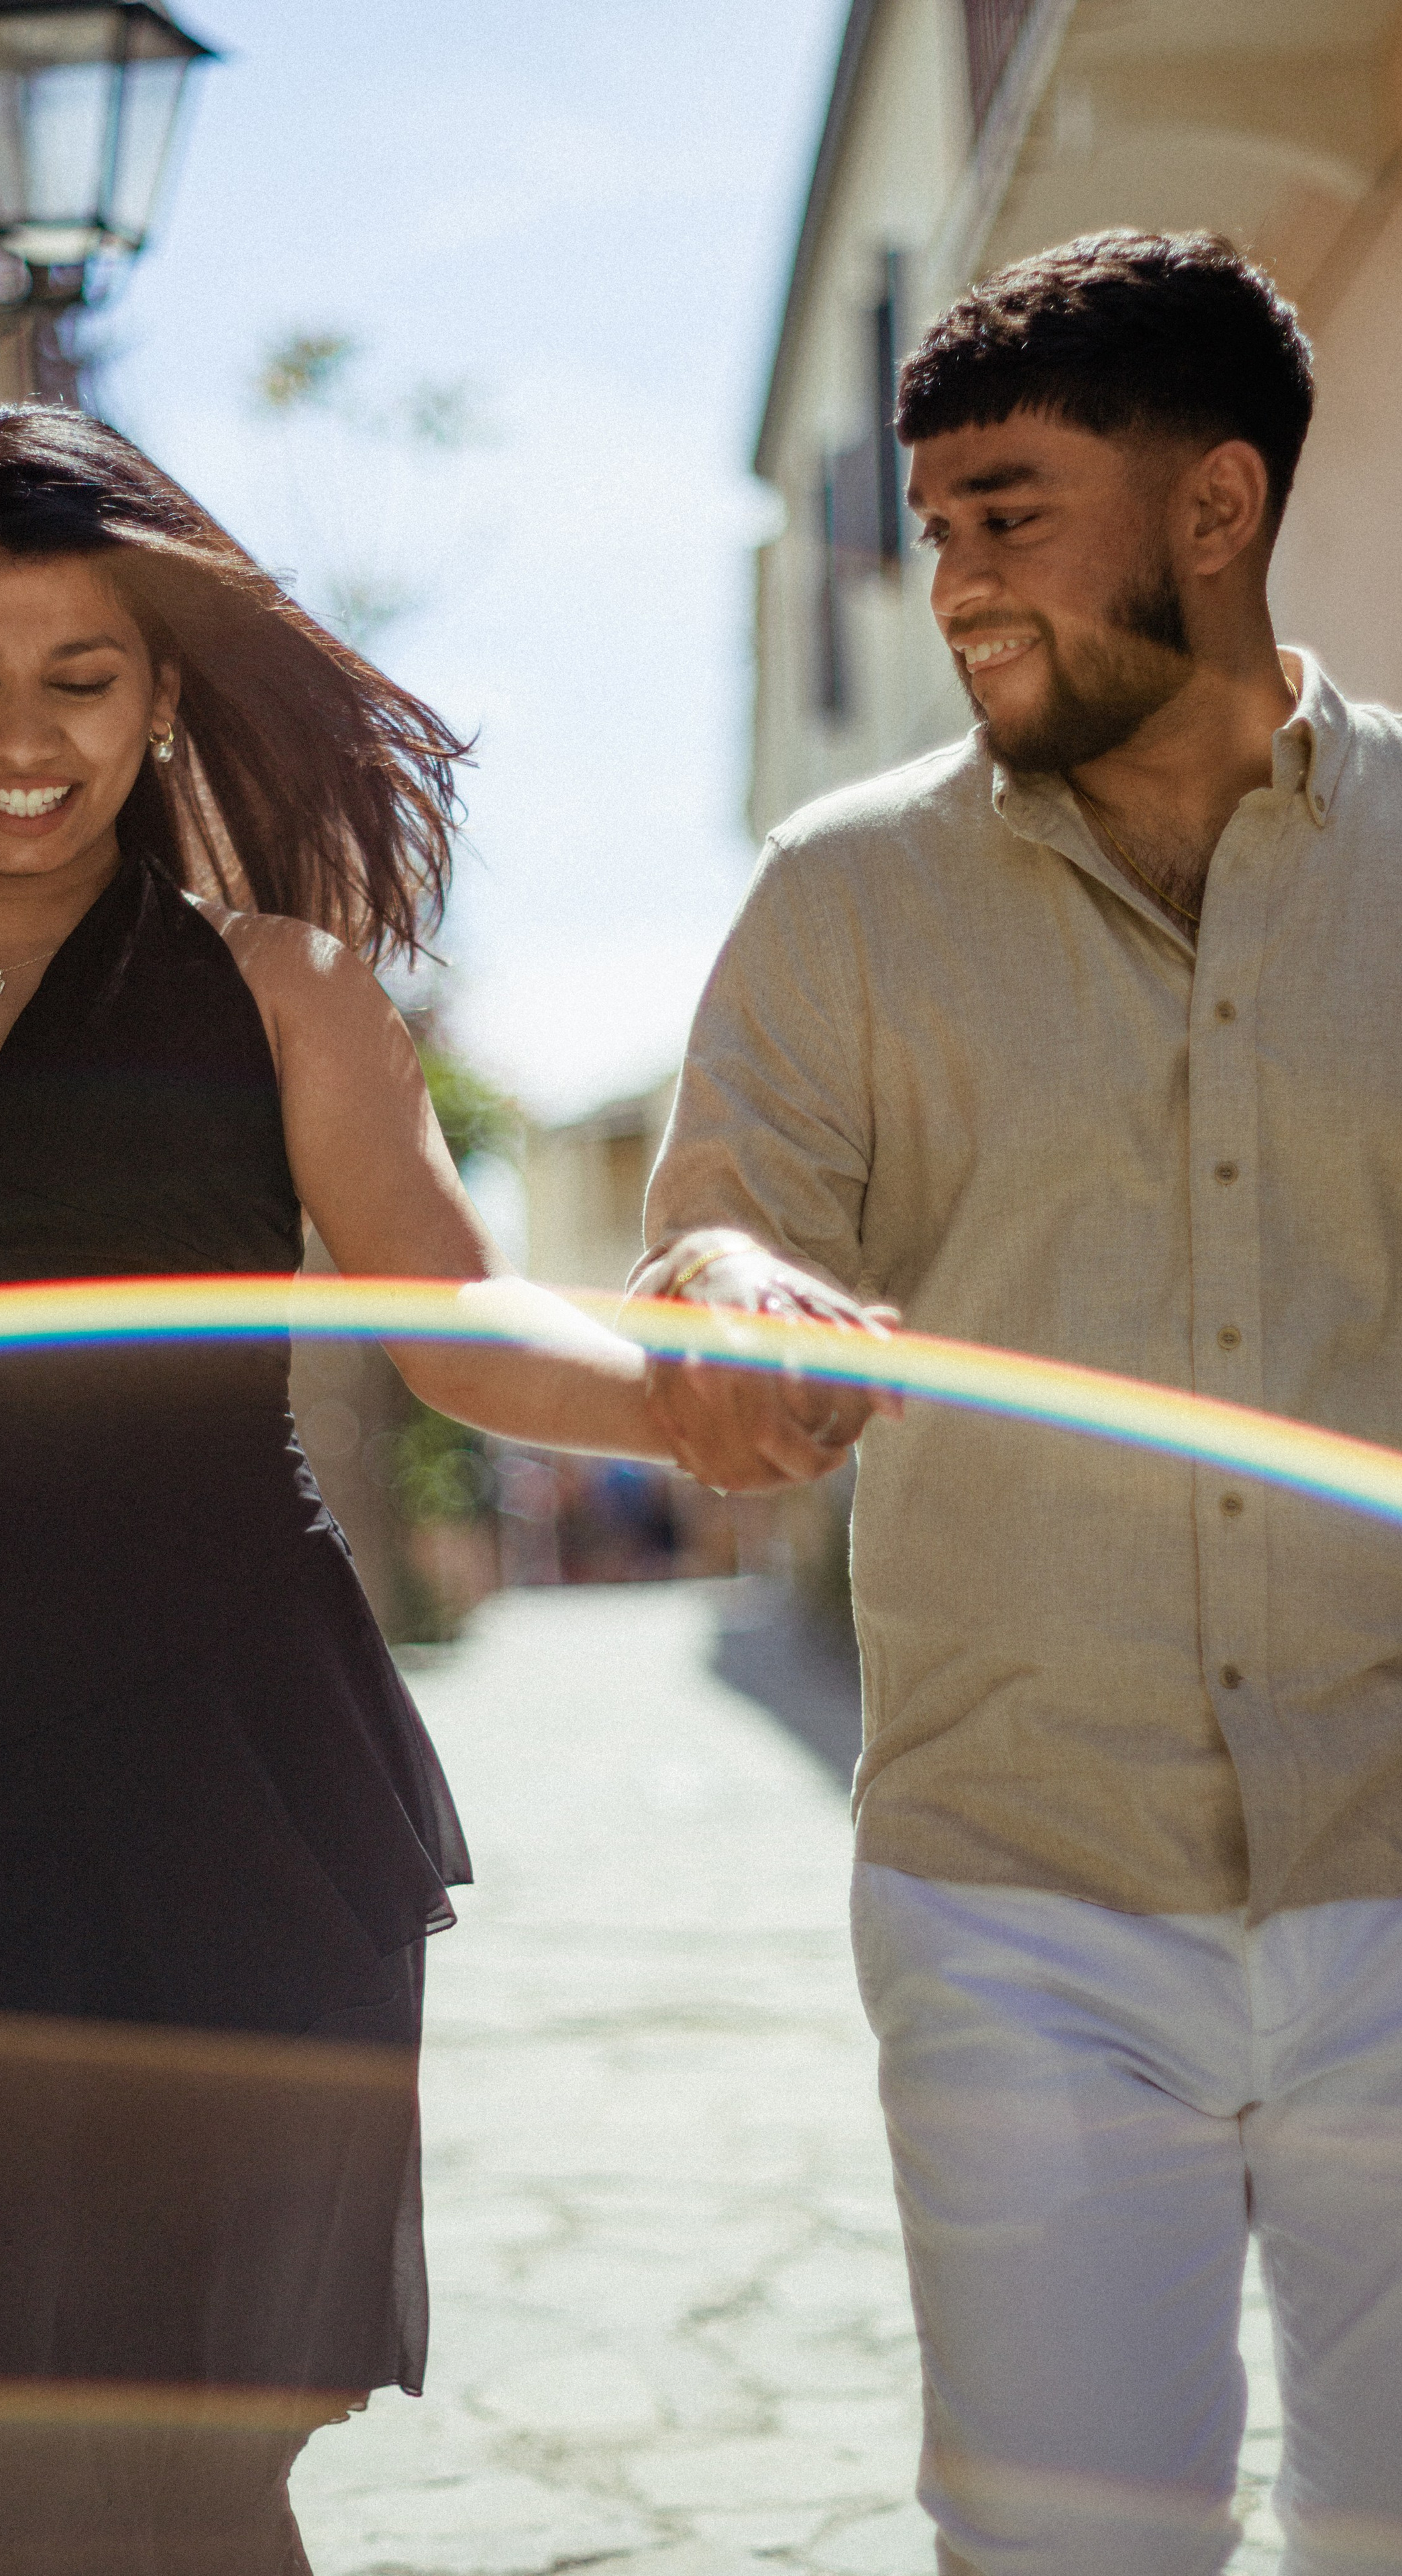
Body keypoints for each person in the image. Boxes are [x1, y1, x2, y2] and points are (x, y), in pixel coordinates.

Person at [0, 404, 733, 2576]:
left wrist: (690, 1400)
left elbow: (451, 1323)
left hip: (209, 1791)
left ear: (165, 694)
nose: (21, 736)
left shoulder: (285, 994)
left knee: (163, 2472)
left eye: (83, 676)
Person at [637, 230, 1402, 2576]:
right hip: (1022, 1894)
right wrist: (745, 1301)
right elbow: (713, 1247)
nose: (954, 583)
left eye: (1010, 511)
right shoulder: (847, 895)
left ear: (1214, 509)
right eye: (933, 523)